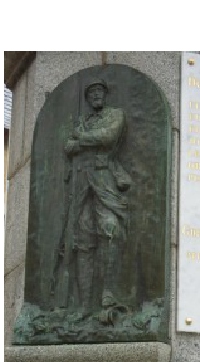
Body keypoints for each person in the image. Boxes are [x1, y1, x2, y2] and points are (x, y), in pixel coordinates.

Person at [63, 79, 132, 311]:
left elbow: (109, 136)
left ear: (105, 93)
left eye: (99, 91)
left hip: (105, 180)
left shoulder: (115, 115)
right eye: (91, 92)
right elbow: (68, 147)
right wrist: (83, 141)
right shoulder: (83, 121)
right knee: (82, 239)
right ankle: (84, 305)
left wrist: (81, 139)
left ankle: (108, 294)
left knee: (111, 228)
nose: (95, 95)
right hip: (81, 184)